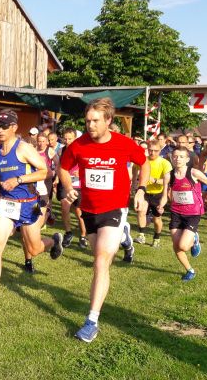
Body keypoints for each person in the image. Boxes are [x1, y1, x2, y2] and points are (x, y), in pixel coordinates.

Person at [57, 97, 149, 343]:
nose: (90, 125)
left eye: (95, 121)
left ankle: (91, 320)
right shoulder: (78, 145)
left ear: (108, 120)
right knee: (97, 255)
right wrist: (68, 186)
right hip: (88, 210)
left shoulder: (123, 143)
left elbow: (144, 163)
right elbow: (63, 168)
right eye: (87, 121)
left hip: (115, 208)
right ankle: (124, 237)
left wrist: (141, 190)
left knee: (100, 261)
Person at [0, 109, 64, 314]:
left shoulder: (24, 148)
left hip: (29, 204)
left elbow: (45, 171)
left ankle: (54, 241)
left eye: (4, 126)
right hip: (7, 204)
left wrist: (19, 180)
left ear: (14, 128)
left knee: (34, 249)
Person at [168, 147, 207, 281]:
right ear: (172, 158)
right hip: (176, 212)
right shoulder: (169, 174)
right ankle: (190, 270)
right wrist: (162, 204)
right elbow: (167, 194)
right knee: (176, 246)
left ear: (187, 159)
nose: (178, 159)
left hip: (192, 213)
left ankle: (194, 239)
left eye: (181, 156)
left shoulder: (194, 173)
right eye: (175, 156)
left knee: (183, 245)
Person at [134, 140, 171, 248]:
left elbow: (166, 182)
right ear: (147, 150)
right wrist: (135, 182)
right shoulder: (142, 160)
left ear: (160, 151)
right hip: (144, 192)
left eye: (155, 151)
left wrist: (153, 180)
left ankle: (156, 238)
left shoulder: (165, 163)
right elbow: (134, 168)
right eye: (150, 150)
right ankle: (141, 235)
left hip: (157, 193)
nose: (152, 153)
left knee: (156, 219)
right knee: (141, 211)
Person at [60, 128, 89, 250]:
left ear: (75, 138)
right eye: (65, 139)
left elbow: (90, 165)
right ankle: (68, 233)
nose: (67, 141)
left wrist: (81, 171)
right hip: (68, 184)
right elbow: (60, 166)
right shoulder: (63, 149)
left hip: (80, 185)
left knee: (79, 212)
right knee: (64, 206)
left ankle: (83, 236)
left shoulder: (82, 149)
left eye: (70, 139)